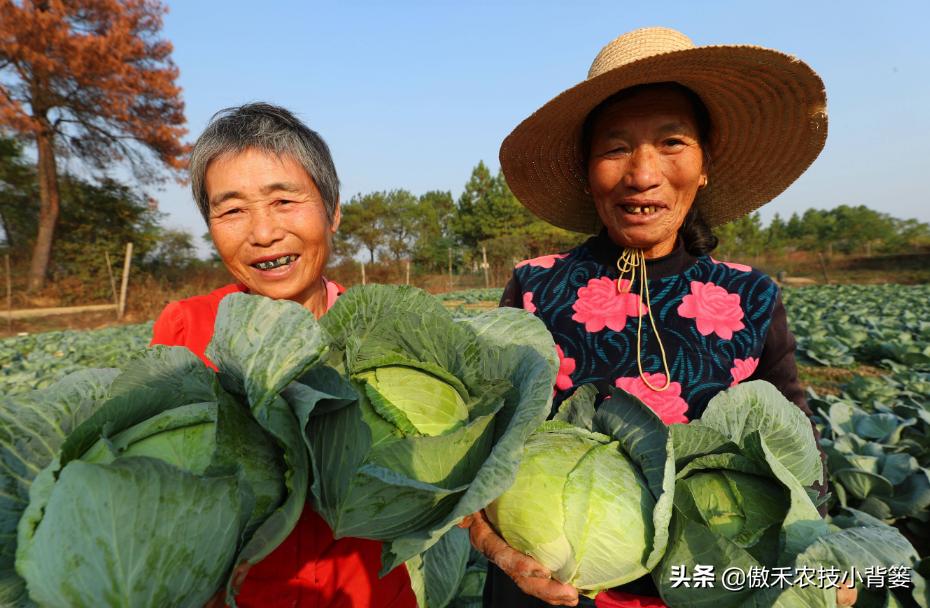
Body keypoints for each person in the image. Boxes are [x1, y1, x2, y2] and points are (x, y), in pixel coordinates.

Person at [462, 27, 846, 608]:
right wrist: (493, 543)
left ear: (705, 164)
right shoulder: (536, 284)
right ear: (587, 170)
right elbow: (490, 434)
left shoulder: (750, 295)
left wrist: (815, 553)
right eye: (615, 148)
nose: (642, 174)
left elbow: (794, 444)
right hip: (549, 580)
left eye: (671, 142)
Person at [151, 103, 416, 608]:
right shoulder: (187, 331)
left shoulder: (389, 335)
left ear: (333, 209)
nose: (264, 232)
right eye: (231, 210)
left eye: (284, 201)